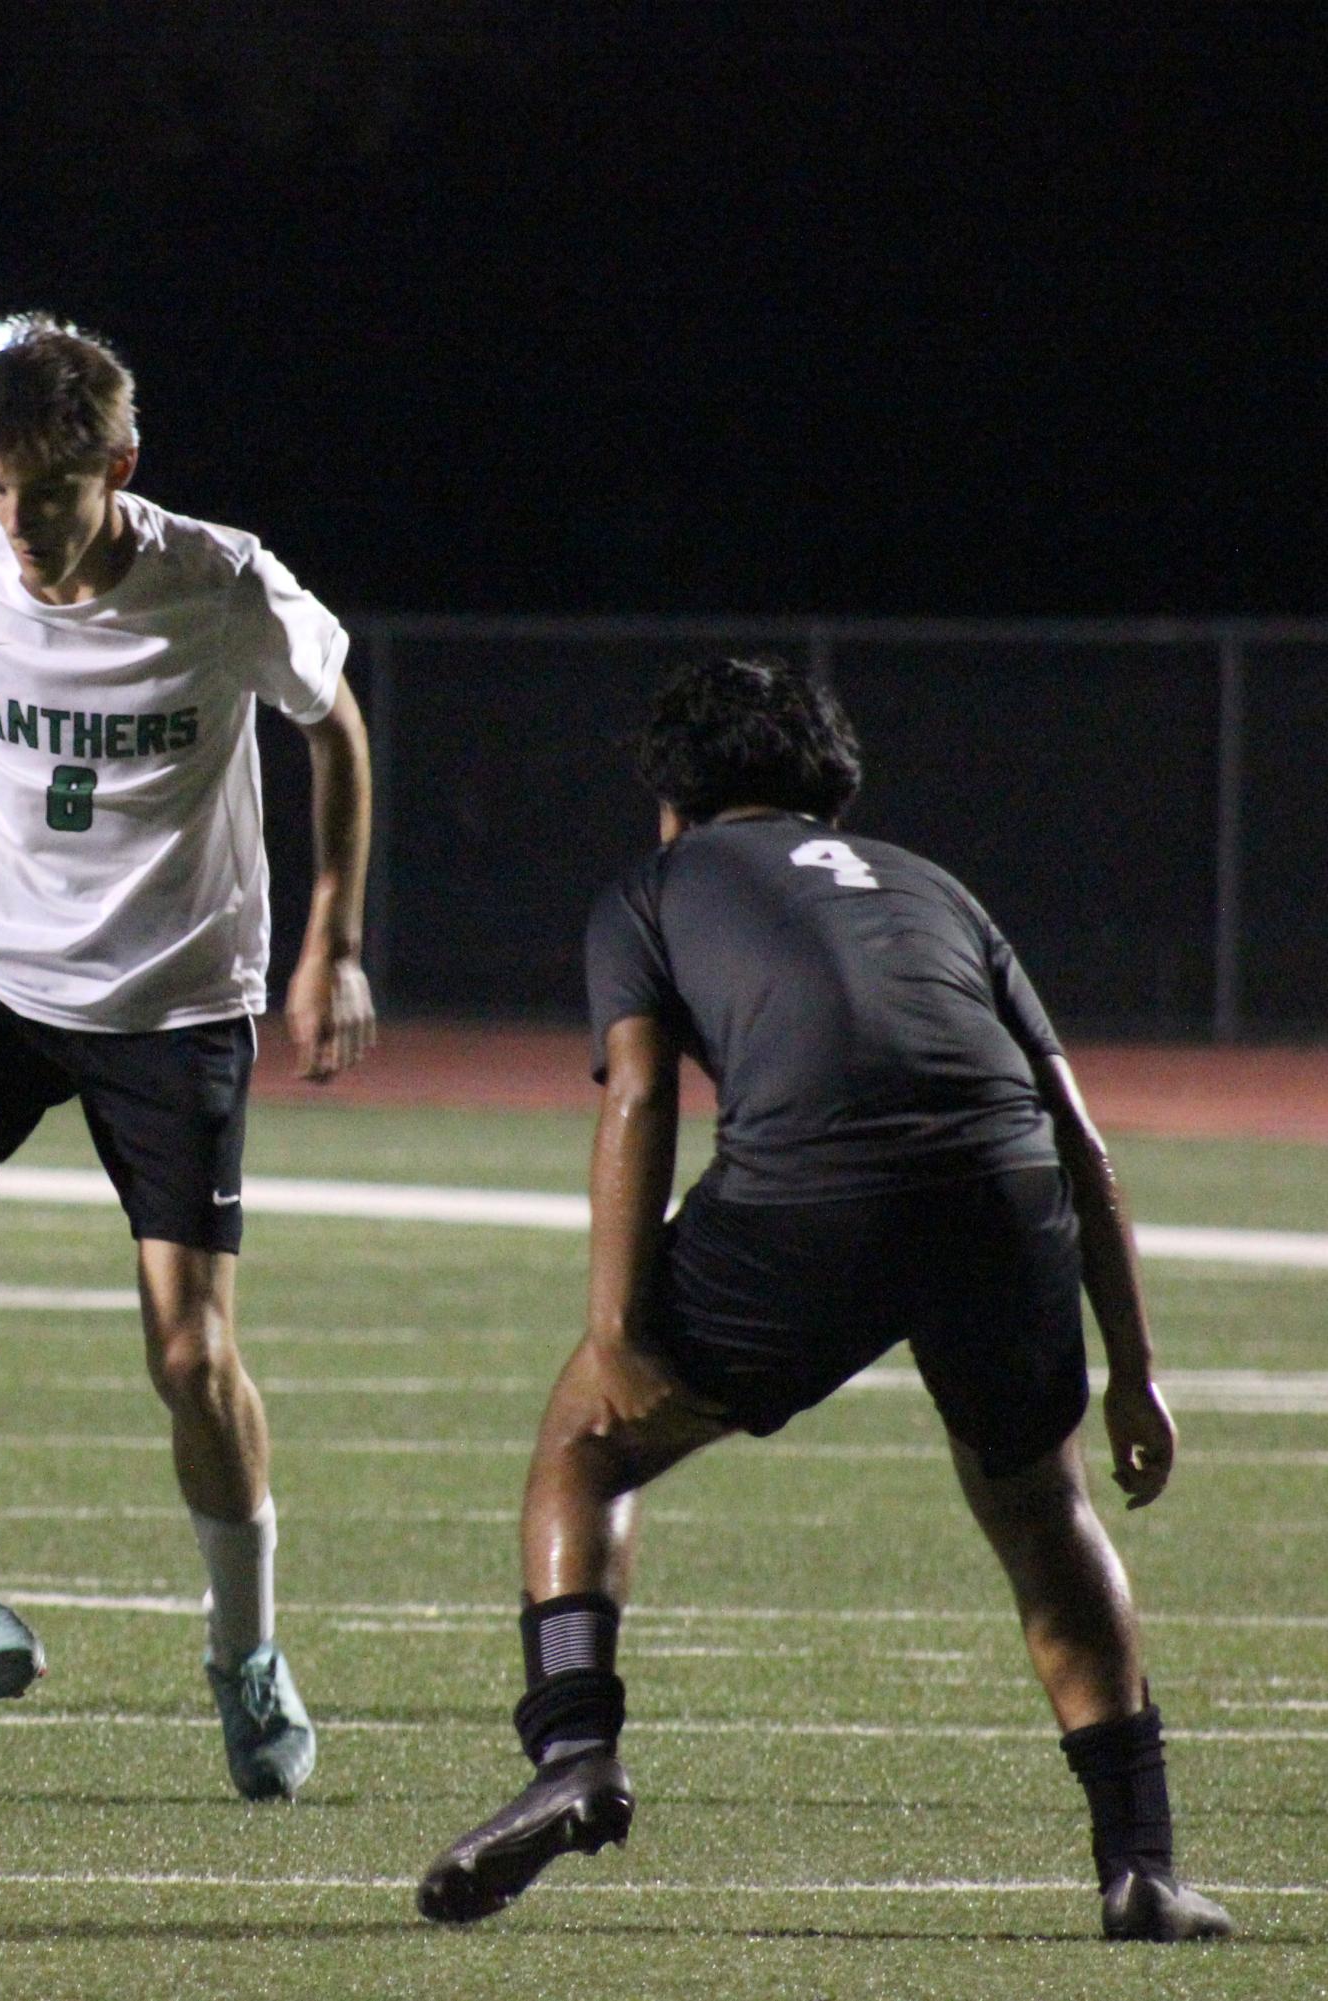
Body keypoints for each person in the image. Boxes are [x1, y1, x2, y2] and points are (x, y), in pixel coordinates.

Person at [417, 655, 1231, 1941]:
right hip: (1001, 1193)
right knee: (1039, 1504)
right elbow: (1080, 1136)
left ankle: (573, 1752)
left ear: (671, 803)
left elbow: (638, 1097)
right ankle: (1139, 1866)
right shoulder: (934, 888)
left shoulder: (652, 885)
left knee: (582, 1449)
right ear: (829, 794)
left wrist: (617, 1329)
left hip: (811, 1197)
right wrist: (1132, 1369)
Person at [0, 314, 373, 1802]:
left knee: (189, 1349)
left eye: (44, 495)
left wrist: (333, 939)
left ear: (115, 466)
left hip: (173, 998)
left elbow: (337, 728)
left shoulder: (222, 581)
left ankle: (244, 1656)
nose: (19, 527)